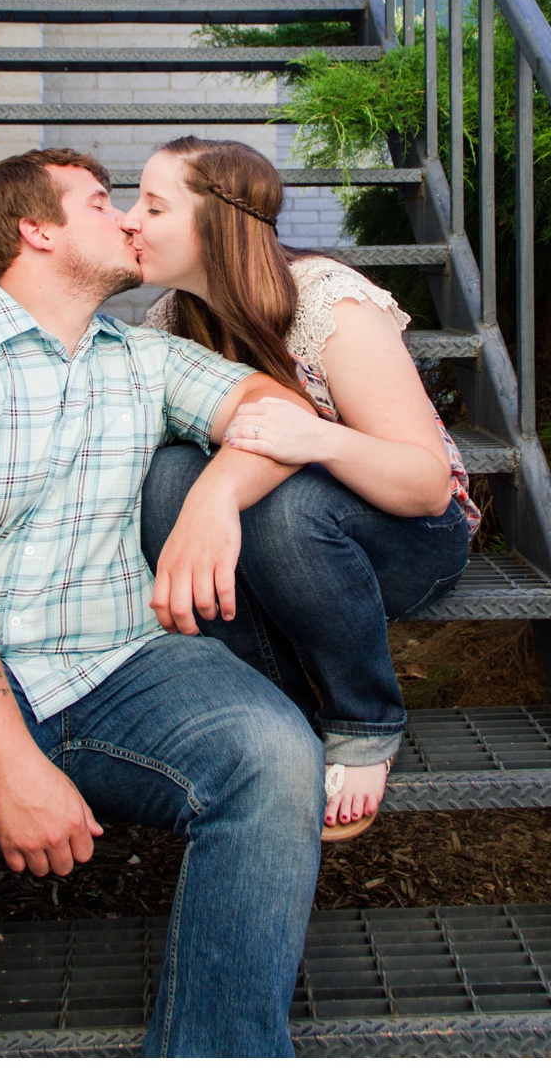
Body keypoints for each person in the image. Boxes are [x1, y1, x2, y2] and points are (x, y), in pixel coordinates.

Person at [0, 148, 331, 1058]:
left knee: (277, 757)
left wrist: (213, 494)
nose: (127, 220)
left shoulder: (147, 357)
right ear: (35, 230)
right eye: (100, 202)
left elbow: (278, 407)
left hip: (128, 659)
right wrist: (15, 767)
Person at [125, 136, 476, 839]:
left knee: (289, 503)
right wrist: (209, 493)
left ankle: (364, 716)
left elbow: (427, 485)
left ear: (216, 225)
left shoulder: (327, 303)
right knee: (169, 480)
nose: (130, 219)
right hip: (280, 550)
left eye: (152, 205)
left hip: (406, 535)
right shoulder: (170, 321)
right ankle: (278, 713)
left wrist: (319, 437)